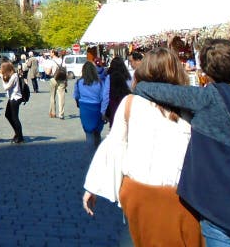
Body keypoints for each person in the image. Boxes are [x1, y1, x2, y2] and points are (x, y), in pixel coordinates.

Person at [83, 47, 199, 246]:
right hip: (180, 194)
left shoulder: (131, 102)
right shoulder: (192, 104)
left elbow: (113, 144)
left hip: (140, 192)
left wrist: (92, 187)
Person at [134, 39, 230, 246]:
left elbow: (150, 90)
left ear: (206, 71)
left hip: (218, 210)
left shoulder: (206, 98)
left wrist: (142, 79)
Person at [74, 61, 104, 147]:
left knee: (88, 132)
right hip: (97, 107)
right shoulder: (99, 82)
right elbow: (102, 97)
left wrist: (78, 104)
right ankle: (98, 150)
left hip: (84, 107)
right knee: (97, 131)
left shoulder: (79, 82)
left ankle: (90, 153)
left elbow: (76, 95)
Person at [101, 57, 132, 127]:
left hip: (114, 106)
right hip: (127, 105)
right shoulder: (128, 77)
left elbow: (106, 95)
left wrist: (103, 111)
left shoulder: (109, 77)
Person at [0, 61, 24, 143]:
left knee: (14, 117)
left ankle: (19, 136)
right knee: (8, 115)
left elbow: (6, 87)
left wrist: (1, 77)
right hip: (12, 98)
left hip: (15, 98)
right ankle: (17, 133)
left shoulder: (14, 76)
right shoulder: (12, 75)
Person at [48, 50, 66, 119]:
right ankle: (61, 114)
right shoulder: (62, 60)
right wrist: (66, 80)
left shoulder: (51, 61)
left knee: (52, 96)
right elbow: (65, 70)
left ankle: (53, 112)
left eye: (50, 52)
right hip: (62, 79)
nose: (50, 54)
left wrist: (45, 69)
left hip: (53, 79)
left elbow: (48, 72)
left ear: (53, 53)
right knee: (61, 97)